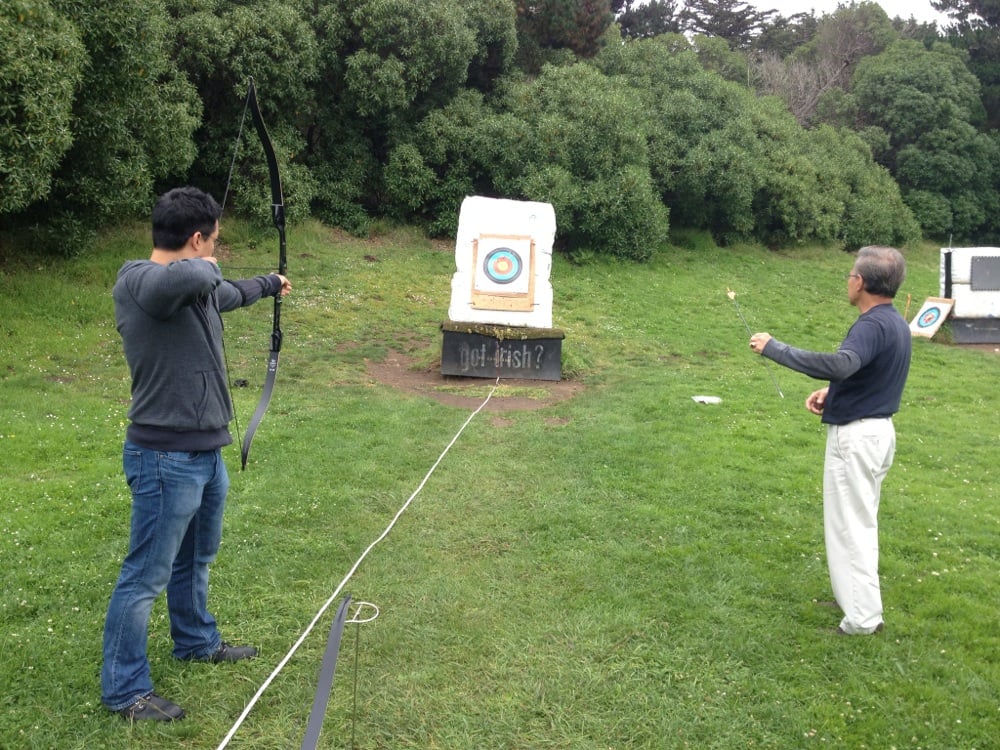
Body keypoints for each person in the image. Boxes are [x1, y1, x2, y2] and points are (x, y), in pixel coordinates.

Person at [102, 186, 292, 720]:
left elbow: (224, 290)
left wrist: (269, 284)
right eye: (213, 240)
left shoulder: (193, 284)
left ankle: (195, 640)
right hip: (164, 458)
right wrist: (207, 262)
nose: (216, 251)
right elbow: (199, 275)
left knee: (195, 558)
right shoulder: (139, 281)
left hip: (205, 453)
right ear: (195, 239)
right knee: (145, 575)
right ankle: (124, 689)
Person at [749, 245, 911, 636]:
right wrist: (832, 394)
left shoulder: (871, 324)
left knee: (849, 528)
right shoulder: (893, 322)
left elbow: (842, 364)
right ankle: (857, 602)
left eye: (850, 275)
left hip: (856, 439)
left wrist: (775, 348)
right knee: (860, 523)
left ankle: (860, 619)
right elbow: (865, 374)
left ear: (860, 282)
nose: (848, 281)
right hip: (876, 432)